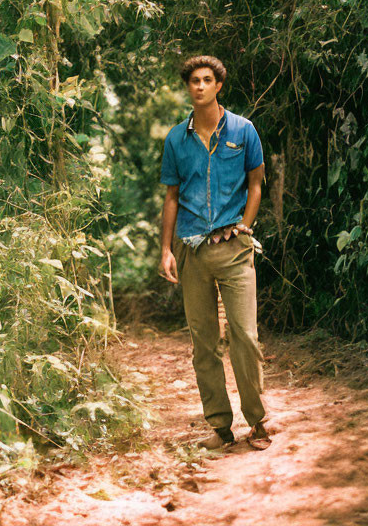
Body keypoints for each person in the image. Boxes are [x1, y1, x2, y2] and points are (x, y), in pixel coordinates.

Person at [159, 55, 270, 450]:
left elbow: (256, 184)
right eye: (194, 81)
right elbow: (171, 197)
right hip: (191, 250)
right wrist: (165, 251)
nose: (200, 86)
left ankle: (257, 422)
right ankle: (220, 426)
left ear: (218, 85)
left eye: (207, 80)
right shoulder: (176, 139)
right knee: (203, 342)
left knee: (244, 335)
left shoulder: (244, 130)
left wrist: (246, 224)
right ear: (187, 87)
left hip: (234, 248)